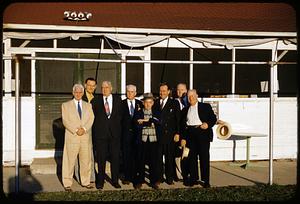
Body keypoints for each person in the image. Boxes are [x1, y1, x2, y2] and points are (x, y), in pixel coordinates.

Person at [180, 89, 217, 188]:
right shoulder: (185, 110)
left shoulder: (205, 107)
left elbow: (213, 118)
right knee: (192, 158)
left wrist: (207, 124)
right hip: (190, 134)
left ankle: (206, 180)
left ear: (197, 96)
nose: (191, 98)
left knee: (204, 157)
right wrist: (183, 138)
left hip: (202, 133)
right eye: (189, 96)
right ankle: (193, 179)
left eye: (192, 95)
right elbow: (182, 125)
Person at [61, 84, 95, 192]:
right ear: (73, 93)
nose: (78, 94)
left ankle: (85, 182)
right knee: (69, 161)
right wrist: (76, 130)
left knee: (85, 161)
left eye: (80, 92)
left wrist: (84, 129)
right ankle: (67, 183)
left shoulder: (88, 105)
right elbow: (65, 121)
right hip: (72, 137)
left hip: (85, 137)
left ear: (83, 93)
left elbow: (91, 118)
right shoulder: (65, 105)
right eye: (76, 92)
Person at [92, 81, 123, 189]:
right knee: (101, 159)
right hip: (101, 134)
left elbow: (121, 116)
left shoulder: (118, 100)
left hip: (115, 134)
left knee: (115, 158)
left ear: (111, 88)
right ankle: (100, 181)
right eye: (102, 87)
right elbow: (93, 117)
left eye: (107, 87)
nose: (104, 89)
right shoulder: (95, 100)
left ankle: (115, 180)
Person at [154, 83, 181, 185]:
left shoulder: (174, 103)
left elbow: (178, 119)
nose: (162, 93)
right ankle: (159, 178)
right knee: (158, 159)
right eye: (160, 91)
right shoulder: (155, 103)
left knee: (169, 158)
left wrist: (178, 133)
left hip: (170, 135)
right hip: (158, 135)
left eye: (164, 91)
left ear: (168, 91)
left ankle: (169, 178)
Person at [134, 93, 161, 190]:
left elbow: (159, 122)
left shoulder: (157, 112)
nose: (148, 104)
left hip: (154, 140)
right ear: (143, 103)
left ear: (153, 103)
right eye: (146, 102)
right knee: (140, 161)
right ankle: (139, 181)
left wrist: (146, 121)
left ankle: (153, 181)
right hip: (143, 140)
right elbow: (136, 124)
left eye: (150, 102)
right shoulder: (138, 112)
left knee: (153, 161)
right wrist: (150, 121)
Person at [74, 77, 97, 185]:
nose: (91, 87)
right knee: (79, 152)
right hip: (80, 128)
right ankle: (79, 176)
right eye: (89, 85)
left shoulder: (96, 98)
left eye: (93, 85)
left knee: (89, 152)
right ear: (85, 85)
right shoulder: (79, 97)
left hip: (91, 128)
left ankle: (91, 176)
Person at [121, 84, 143, 185]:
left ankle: (136, 178)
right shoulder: (121, 104)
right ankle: (127, 177)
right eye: (128, 92)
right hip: (125, 135)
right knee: (126, 156)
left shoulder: (140, 104)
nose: (130, 93)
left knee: (137, 156)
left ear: (135, 93)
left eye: (132, 92)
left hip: (137, 135)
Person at [174, 83, 189, 180]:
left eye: (182, 90)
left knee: (187, 154)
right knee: (177, 154)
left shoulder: (189, 101)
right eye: (178, 90)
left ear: (186, 90)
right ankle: (178, 174)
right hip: (178, 132)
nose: (180, 92)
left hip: (188, 132)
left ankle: (186, 173)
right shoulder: (174, 102)